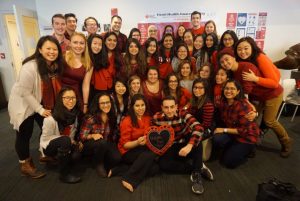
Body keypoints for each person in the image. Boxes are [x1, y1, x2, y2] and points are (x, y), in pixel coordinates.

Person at [219, 47, 292, 157]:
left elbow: (247, 89)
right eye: (222, 62)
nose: (225, 63)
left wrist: (249, 105)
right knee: (250, 118)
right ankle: (252, 143)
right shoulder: (233, 73)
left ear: (234, 58)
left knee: (269, 121)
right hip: (258, 97)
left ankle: (286, 142)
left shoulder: (246, 66)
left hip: (272, 94)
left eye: (227, 59)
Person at [8, 35, 64, 179]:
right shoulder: (30, 66)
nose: (52, 52)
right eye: (48, 48)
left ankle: (44, 153)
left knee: (48, 125)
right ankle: (25, 163)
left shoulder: (53, 65)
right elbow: (24, 92)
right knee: (24, 133)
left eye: (55, 49)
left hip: (39, 101)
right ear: (40, 49)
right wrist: (40, 109)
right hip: (22, 104)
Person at [152, 96, 213, 195]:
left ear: (176, 106)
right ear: (162, 108)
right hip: (170, 146)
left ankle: (197, 175)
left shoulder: (183, 113)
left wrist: (189, 146)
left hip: (184, 142)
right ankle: (197, 168)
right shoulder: (156, 118)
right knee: (163, 165)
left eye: (172, 107)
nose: (169, 110)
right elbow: (153, 136)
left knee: (196, 137)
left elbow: (199, 127)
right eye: (166, 107)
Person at [213, 80, 260, 168]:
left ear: (238, 91)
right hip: (233, 132)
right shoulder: (223, 101)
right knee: (216, 139)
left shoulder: (243, 106)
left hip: (246, 137)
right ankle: (233, 147)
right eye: (226, 88)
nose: (228, 91)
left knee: (228, 162)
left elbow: (244, 131)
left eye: (232, 89)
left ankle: (250, 149)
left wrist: (223, 130)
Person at [116, 94, 158, 192]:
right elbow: (125, 145)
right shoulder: (127, 121)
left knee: (155, 169)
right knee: (151, 154)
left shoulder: (148, 118)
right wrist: (138, 142)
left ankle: (120, 170)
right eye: (137, 105)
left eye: (142, 105)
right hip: (128, 151)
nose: (140, 108)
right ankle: (128, 178)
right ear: (132, 107)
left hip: (142, 149)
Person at [40, 87, 81, 183]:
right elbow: (45, 138)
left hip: (66, 143)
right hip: (49, 146)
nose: (71, 101)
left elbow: (73, 131)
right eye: (67, 98)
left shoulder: (74, 115)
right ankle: (64, 175)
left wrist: (74, 141)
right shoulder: (50, 118)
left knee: (77, 156)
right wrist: (66, 139)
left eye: (73, 98)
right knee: (65, 140)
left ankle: (60, 160)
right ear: (60, 99)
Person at [79, 93, 121, 177]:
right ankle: (98, 163)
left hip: (105, 143)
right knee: (102, 143)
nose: (106, 105)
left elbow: (114, 134)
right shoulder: (91, 118)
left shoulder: (112, 115)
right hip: (90, 144)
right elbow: (82, 137)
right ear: (97, 105)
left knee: (117, 158)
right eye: (102, 103)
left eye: (107, 102)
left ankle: (99, 158)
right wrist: (92, 136)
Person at [62, 32, 92, 113]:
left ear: (85, 45)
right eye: (75, 42)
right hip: (60, 96)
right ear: (70, 44)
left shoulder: (88, 62)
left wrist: (85, 104)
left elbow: (86, 86)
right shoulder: (63, 57)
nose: (78, 46)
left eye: (81, 43)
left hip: (76, 96)